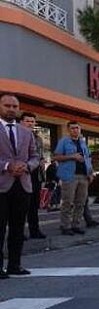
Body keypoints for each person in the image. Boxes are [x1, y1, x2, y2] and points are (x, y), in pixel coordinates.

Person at [0, 93, 39, 278]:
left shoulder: (26, 132)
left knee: (17, 228)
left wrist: (27, 166)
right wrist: (7, 166)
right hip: (2, 185)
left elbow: (35, 156)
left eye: (15, 106)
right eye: (7, 105)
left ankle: (15, 265)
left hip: (23, 185)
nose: (11, 109)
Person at [53, 121, 94, 235]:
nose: (75, 130)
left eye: (77, 128)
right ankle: (65, 226)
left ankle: (76, 224)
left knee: (80, 202)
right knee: (68, 202)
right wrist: (72, 156)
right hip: (69, 176)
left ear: (80, 129)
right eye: (72, 128)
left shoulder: (83, 143)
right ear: (68, 130)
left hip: (83, 176)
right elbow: (56, 157)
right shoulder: (64, 141)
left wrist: (91, 173)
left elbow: (88, 159)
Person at [19, 112, 46, 239]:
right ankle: (18, 231)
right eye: (27, 121)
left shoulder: (38, 138)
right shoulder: (15, 136)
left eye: (32, 121)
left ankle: (34, 230)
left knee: (34, 205)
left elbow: (40, 155)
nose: (30, 123)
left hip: (36, 175)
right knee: (21, 205)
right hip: (21, 174)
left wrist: (42, 161)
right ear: (21, 122)